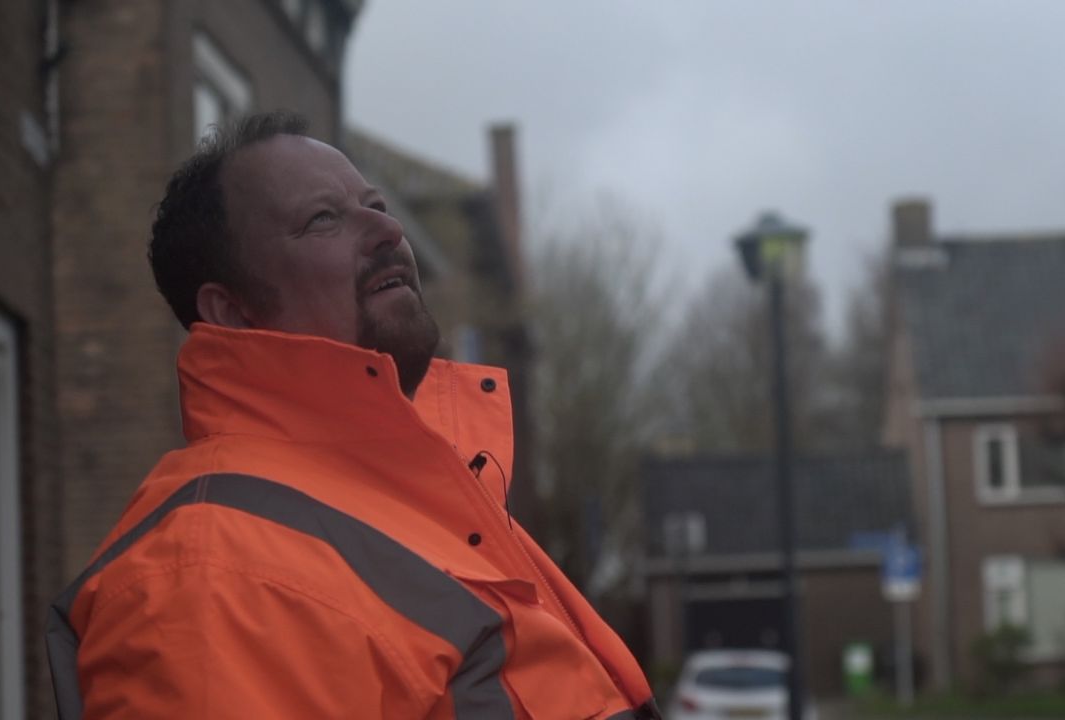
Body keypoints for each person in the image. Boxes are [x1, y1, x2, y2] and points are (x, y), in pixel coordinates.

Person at [45, 111, 659, 719]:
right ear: (231, 311)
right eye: (322, 220)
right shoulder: (207, 574)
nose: (388, 232)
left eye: (379, 207)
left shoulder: (425, 501)